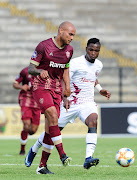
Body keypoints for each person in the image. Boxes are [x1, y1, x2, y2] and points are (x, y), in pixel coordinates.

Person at [25, 38, 111, 171]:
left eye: (96, 51)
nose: (93, 53)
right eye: (91, 50)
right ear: (86, 49)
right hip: (70, 103)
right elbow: (64, 78)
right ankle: (34, 149)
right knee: (52, 132)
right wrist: (65, 98)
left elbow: (93, 76)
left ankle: (88, 158)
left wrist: (100, 89)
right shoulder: (75, 63)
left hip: (87, 103)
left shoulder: (99, 65)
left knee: (93, 120)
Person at [26, 21, 76, 174]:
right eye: (70, 34)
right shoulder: (44, 46)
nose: (72, 38)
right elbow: (30, 68)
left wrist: (67, 91)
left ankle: (41, 166)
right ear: (61, 31)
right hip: (40, 86)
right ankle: (62, 155)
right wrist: (40, 71)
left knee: (50, 130)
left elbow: (65, 71)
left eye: (74, 35)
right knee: (53, 117)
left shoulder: (69, 50)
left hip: (56, 89)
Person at [13, 67, 41, 155]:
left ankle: (25, 132)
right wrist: (22, 86)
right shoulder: (25, 71)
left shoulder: (45, 71)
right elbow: (15, 83)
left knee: (33, 130)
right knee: (26, 125)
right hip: (26, 99)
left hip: (37, 101)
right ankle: (22, 149)